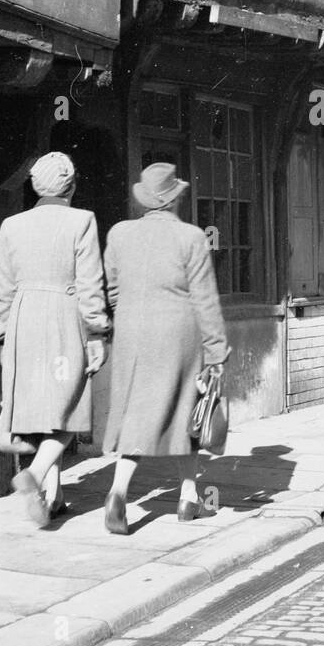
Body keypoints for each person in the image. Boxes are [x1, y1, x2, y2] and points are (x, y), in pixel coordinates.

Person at [101, 163, 231, 532]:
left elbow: (111, 289)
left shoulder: (119, 234)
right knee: (186, 413)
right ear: (175, 198)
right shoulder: (191, 237)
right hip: (179, 332)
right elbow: (205, 299)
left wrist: (127, 314)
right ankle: (176, 498)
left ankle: (128, 494)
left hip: (132, 332)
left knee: (137, 414)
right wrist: (217, 350)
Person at [0, 152, 109, 527]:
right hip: (64, 315)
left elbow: (4, 287)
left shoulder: (11, 225)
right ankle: (36, 474)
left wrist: (1, 334)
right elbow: (91, 284)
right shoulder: (82, 221)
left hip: (23, 321)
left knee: (39, 408)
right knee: (70, 403)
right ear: (72, 186)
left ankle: (53, 498)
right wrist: (97, 332)